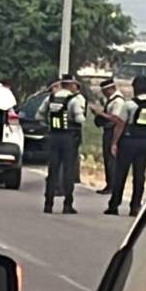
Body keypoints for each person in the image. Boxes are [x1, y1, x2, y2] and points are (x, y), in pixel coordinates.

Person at [104, 75, 146, 217]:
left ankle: (114, 205)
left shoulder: (129, 105)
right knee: (139, 174)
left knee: (121, 173)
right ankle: (135, 206)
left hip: (128, 142)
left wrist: (114, 142)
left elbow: (120, 124)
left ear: (134, 88)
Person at [36, 74, 85, 214]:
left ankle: (48, 204)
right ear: (71, 85)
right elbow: (80, 119)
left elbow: (39, 116)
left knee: (53, 170)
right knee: (68, 171)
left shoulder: (50, 98)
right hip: (68, 137)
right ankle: (67, 204)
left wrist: (49, 124)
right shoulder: (73, 100)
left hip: (53, 136)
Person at [89, 78, 125, 195]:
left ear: (110, 89)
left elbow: (116, 118)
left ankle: (112, 185)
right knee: (107, 158)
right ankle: (109, 183)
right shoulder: (111, 100)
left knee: (111, 159)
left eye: (105, 91)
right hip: (108, 131)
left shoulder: (118, 101)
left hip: (113, 132)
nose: (104, 93)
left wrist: (101, 113)